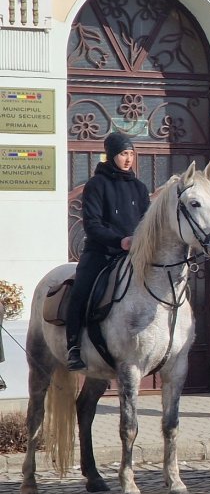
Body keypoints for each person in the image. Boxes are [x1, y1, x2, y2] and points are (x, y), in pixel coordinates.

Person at [66, 131, 151, 370]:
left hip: (134, 256)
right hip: (101, 253)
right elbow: (92, 225)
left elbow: (147, 222)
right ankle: (73, 346)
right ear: (111, 155)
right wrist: (120, 241)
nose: (128, 159)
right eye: (124, 154)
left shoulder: (139, 187)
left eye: (131, 154)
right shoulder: (96, 185)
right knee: (80, 291)